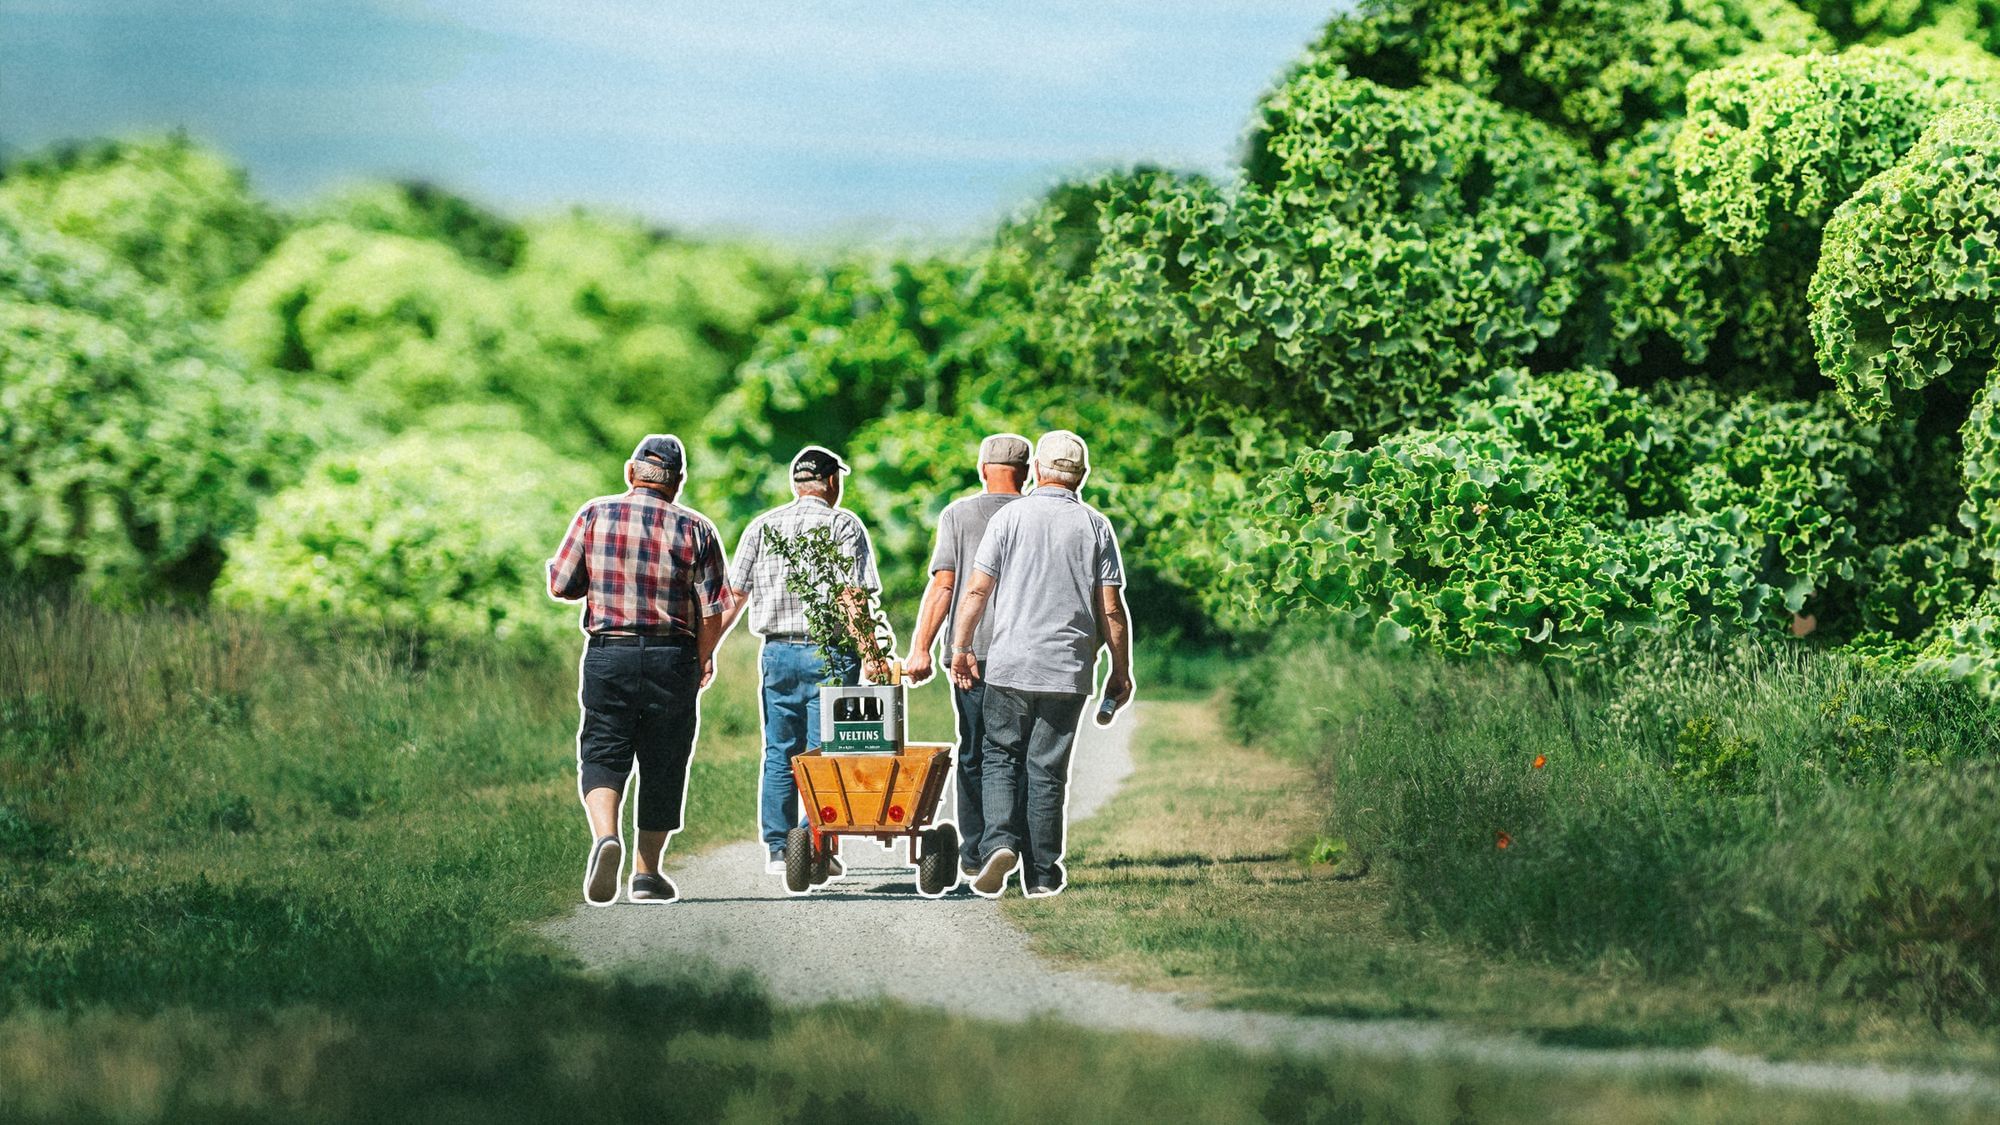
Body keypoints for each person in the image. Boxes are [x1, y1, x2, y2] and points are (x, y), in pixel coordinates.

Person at [949, 430, 1134, 898]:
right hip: (1068, 670)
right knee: (1047, 770)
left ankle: (998, 844)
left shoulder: (1010, 518)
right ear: (1082, 477)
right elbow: (1111, 608)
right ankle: (1044, 874)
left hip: (1010, 664)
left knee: (999, 756)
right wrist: (1120, 668)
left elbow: (975, 591)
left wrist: (961, 646)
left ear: (1036, 472)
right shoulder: (1095, 526)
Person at [548, 434, 728, 906]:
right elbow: (712, 611)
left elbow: (563, 585)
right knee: (665, 760)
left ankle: (606, 837)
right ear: (679, 482)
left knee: (604, 748)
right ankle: (647, 873)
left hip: (611, 652)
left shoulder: (594, 514)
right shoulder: (698, 529)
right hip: (673, 657)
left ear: (631, 472)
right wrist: (703, 658)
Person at [716, 445, 887, 874]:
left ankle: (778, 850)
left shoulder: (762, 526)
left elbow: (734, 596)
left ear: (796, 483)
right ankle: (813, 847)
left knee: (779, 751)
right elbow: (852, 594)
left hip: (776, 653)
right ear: (832, 482)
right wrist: (872, 654)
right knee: (823, 752)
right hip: (830, 654)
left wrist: (706, 651)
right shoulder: (843, 525)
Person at [904, 433, 1029, 881]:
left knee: (976, 752)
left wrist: (920, 647)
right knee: (1021, 754)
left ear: (982, 470)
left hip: (970, 653)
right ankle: (1018, 847)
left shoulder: (958, 514)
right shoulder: (1034, 515)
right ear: (1028, 472)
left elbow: (944, 587)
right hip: (1027, 654)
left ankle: (976, 852)